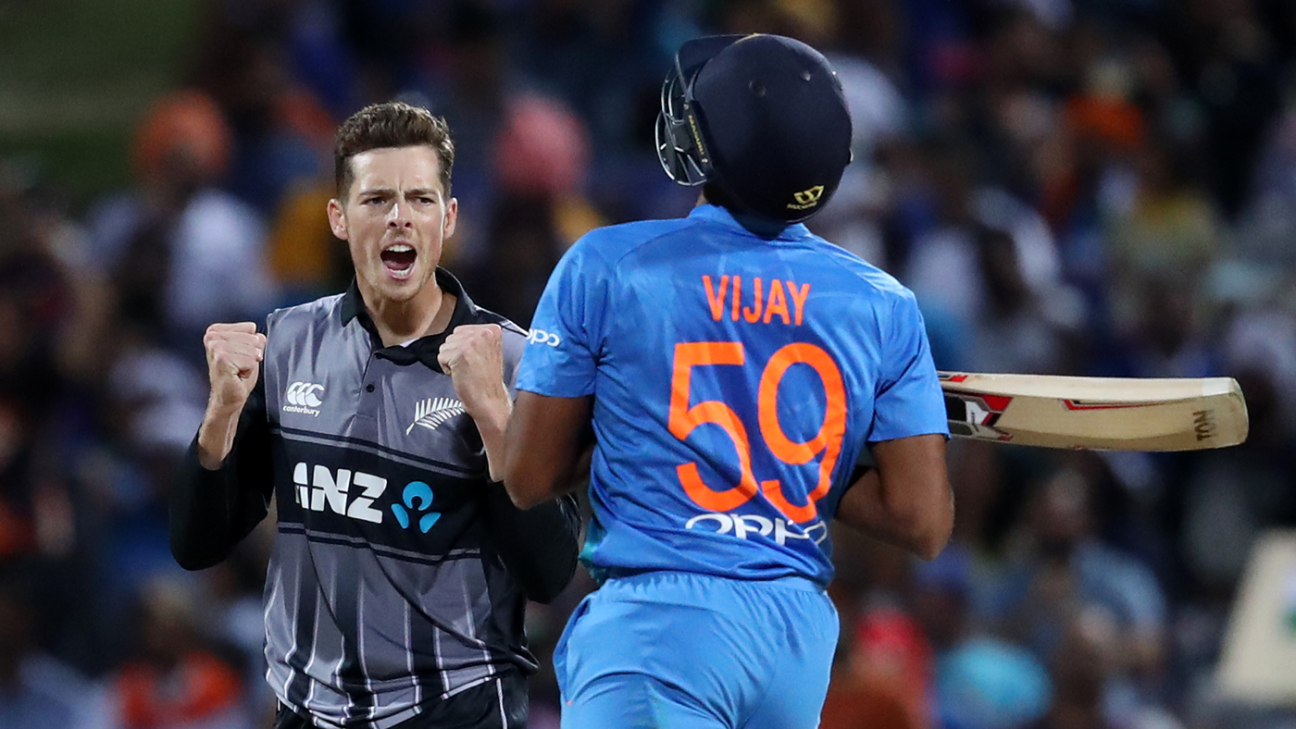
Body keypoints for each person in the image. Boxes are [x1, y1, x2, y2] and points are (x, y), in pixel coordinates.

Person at [501, 34, 955, 729]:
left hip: (658, 628)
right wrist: (777, 465)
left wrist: (660, 437)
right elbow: (922, 520)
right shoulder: (885, 304)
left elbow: (530, 475)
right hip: (793, 640)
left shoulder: (609, 264)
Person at [169, 100, 582, 729]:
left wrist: (494, 417)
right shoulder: (287, 343)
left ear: (449, 218)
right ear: (338, 218)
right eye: (377, 199)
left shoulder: (513, 361)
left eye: (419, 199)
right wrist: (222, 413)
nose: (399, 218)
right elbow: (196, 545)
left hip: (457, 709)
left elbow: (549, 574)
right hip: (309, 711)